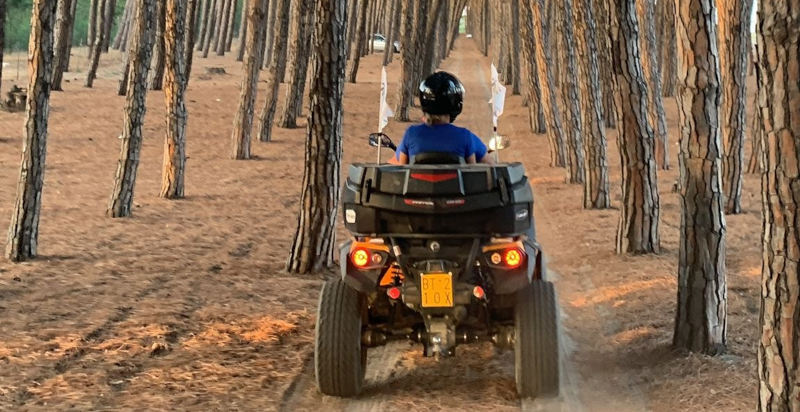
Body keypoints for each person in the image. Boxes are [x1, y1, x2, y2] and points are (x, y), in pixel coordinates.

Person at [389, 72, 492, 165]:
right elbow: (481, 169)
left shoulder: (411, 134)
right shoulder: (465, 136)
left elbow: (401, 169)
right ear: (456, 103)